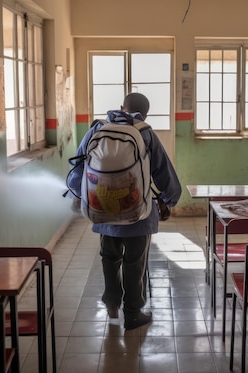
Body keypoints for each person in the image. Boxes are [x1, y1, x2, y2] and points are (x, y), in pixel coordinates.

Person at [67, 92, 182, 329]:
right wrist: (168, 201)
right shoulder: (145, 132)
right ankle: (133, 313)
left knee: (109, 258)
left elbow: (78, 166)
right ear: (144, 113)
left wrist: (79, 195)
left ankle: (111, 304)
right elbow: (163, 171)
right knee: (135, 262)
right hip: (137, 213)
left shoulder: (98, 128)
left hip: (104, 211)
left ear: (121, 107)